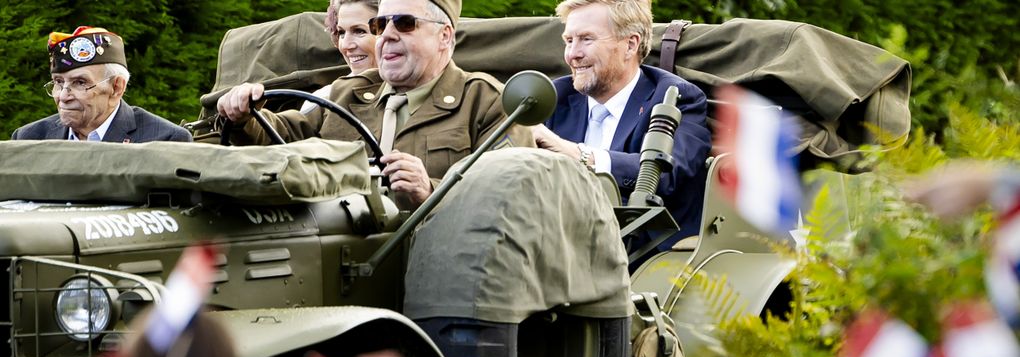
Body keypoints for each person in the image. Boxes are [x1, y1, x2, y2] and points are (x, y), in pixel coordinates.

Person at [216, 0, 534, 208]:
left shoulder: (486, 101)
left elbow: (512, 197)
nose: (387, 36)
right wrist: (245, 115)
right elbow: (284, 136)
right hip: (336, 266)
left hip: (439, 271)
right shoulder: (348, 93)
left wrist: (431, 190)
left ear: (445, 36)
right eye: (380, 26)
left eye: (405, 23)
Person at [532, 0, 711, 241]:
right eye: (568, 41)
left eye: (587, 39)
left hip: (641, 255)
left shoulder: (675, 97)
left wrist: (579, 155)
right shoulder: (553, 98)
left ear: (630, 44)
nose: (573, 54)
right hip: (557, 243)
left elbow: (667, 175)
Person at [12, 26, 191, 143]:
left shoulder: (165, 140)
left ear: (117, 87)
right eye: (58, 82)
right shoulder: (28, 139)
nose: (63, 97)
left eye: (80, 82)